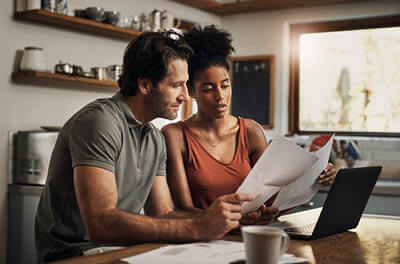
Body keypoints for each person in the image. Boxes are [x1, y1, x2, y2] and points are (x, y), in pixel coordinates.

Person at [35, 30, 253, 262]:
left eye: (186, 85)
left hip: (121, 251)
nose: (185, 96)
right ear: (145, 85)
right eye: (177, 85)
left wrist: (225, 219)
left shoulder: (154, 137)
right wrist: (199, 228)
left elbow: (164, 213)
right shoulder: (99, 122)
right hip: (74, 255)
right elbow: (100, 224)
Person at [162, 25, 337, 225]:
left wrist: (314, 180)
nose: (220, 96)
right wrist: (235, 221)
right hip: (203, 241)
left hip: (249, 237)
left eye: (225, 85)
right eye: (208, 89)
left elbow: (271, 200)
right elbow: (183, 209)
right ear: (191, 91)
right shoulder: (174, 135)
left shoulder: (251, 131)